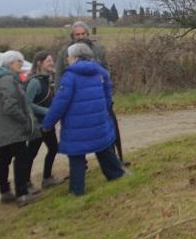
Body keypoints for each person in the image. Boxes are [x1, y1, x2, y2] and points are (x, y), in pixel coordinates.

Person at [40, 43, 125, 195]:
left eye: (69, 56)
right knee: (103, 148)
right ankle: (116, 174)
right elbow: (107, 97)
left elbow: (60, 103)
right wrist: (102, 113)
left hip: (76, 126)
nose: (67, 59)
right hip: (99, 121)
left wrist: (47, 123)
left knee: (77, 157)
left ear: (75, 57)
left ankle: (77, 190)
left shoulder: (70, 77)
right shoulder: (101, 73)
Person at [56, 21, 124, 165]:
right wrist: (60, 98)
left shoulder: (98, 49)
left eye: (83, 34)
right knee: (76, 136)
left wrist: (104, 88)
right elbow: (59, 76)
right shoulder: (65, 52)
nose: (80, 37)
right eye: (77, 34)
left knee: (108, 128)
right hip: (74, 101)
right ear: (72, 36)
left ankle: (116, 161)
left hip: (97, 96)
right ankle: (80, 166)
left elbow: (107, 69)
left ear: (88, 34)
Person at [0, 50, 40, 206]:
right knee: (21, 157)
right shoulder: (7, 80)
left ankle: (5, 191)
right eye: (19, 61)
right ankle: (22, 193)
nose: (21, 64)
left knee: (4, 157)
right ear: (10, 63)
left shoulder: (3, 79)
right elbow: (11, 106)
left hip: (3, 127)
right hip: (12, 128)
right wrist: (24, 120)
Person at [24, 51, 63, 189]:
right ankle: (26, 182)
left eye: (52, 60)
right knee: (31, 153)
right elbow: (28, 103)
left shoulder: (48, 79)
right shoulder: (35, 82)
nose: (52, 63)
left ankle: (47, 178)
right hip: (37, 124)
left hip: (47, 123)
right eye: (48, 61)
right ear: (39, 63)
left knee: (53, 148)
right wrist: (48, 112)